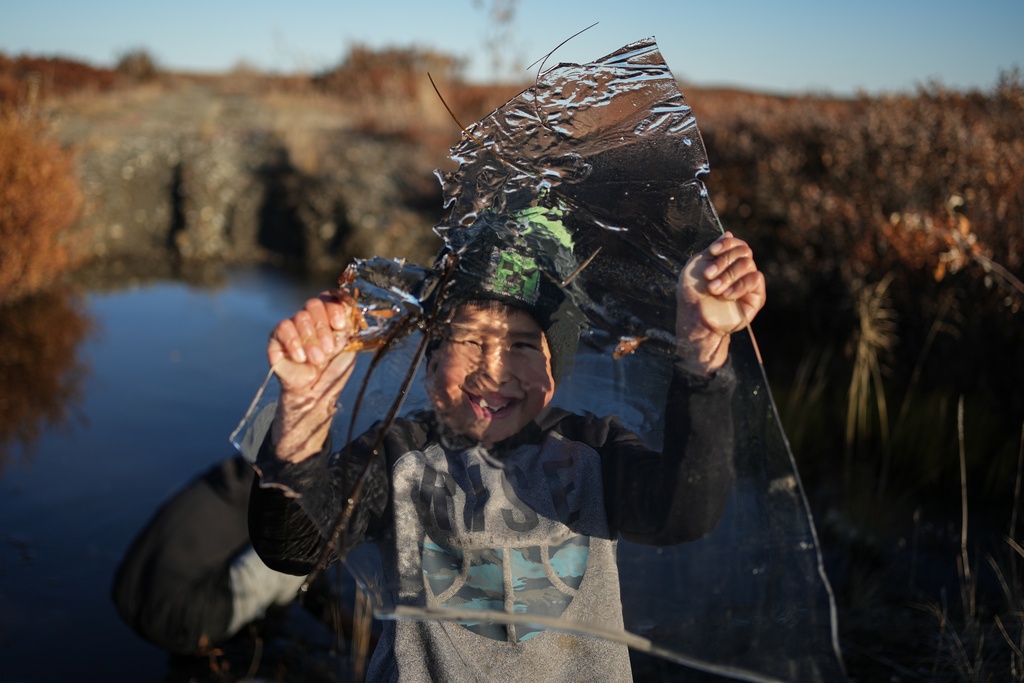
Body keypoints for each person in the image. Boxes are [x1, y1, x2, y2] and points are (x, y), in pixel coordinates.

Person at [246, 210, 766, 681]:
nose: (494, 369)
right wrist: (304, 411)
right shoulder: (398, 453)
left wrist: (701, 356)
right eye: (470, 339)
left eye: (522, 344)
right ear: (431, 360)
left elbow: (684, 511)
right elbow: (295, 548)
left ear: (554, 370)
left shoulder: (594, 450)